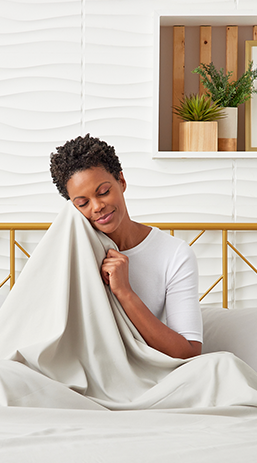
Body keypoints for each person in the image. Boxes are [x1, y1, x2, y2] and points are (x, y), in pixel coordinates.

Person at [49, 134, 202, 359]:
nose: (97, 206)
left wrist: (125, 293)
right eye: (83, 203)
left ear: (121, 181)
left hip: (147, 373)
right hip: (83, 372)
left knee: (223, 365)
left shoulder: (174, 254)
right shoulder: (67, 253)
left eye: (103, 192)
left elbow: (189, 352)